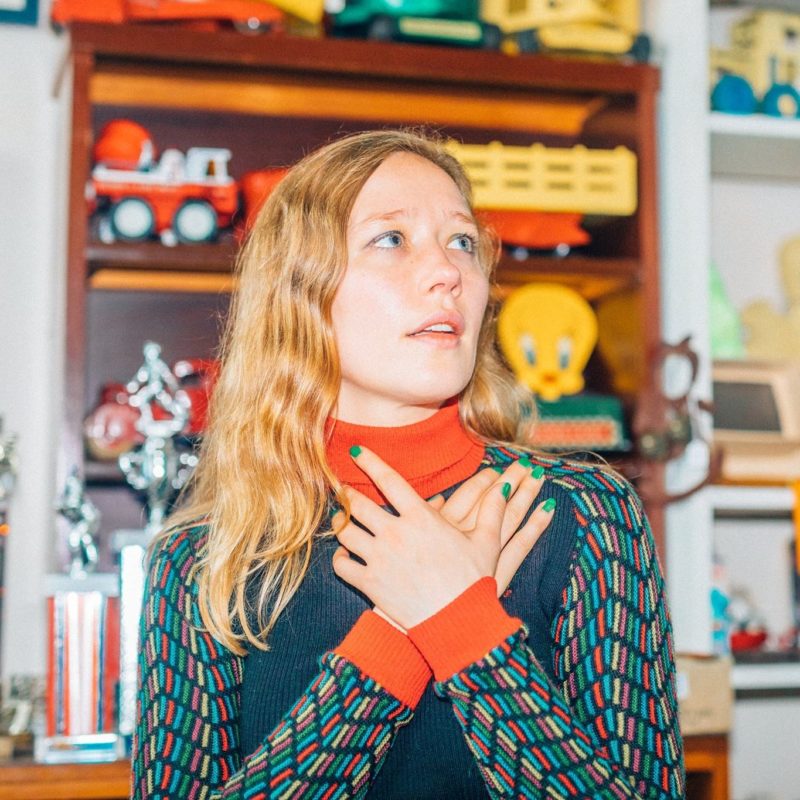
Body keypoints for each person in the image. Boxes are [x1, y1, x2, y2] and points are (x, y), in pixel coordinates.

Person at [132, 129, 685, 799]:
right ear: (299, 292)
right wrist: (401, 635)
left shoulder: (589, 511)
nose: (449, 271)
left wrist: (463, 626)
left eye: (462, 242)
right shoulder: (200, 558)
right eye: (391, 239)